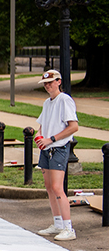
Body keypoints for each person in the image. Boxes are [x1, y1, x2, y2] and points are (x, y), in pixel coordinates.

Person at [34, 69, 80, 241]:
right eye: (45, 83)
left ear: (59, 82)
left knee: (57, 187)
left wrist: (51, 139)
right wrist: (40, 137)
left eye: (51, 82)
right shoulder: (48, 103)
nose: (48, 85)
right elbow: (42, 123)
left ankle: (69, 228)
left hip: (58, 148)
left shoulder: (65, 100)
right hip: (46, 149)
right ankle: (58, 223)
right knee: (49, 187)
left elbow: (73, 127)